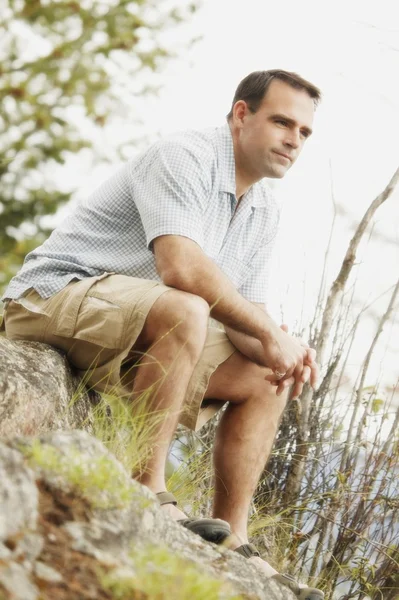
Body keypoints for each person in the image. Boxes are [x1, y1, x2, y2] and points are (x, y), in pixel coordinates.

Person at [2, 70, 323, 599]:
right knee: (188, 308)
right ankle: (146, 484)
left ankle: (232, 536)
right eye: (282, 122)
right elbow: (181, 270)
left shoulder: (264, 207)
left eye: (305, 132)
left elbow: (251, 315)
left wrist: (283, 348)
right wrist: (266, 331)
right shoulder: (185, 157)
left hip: (140, 321)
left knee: (269, 373)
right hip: (53, 297)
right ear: (242, 115)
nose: (294, 139)